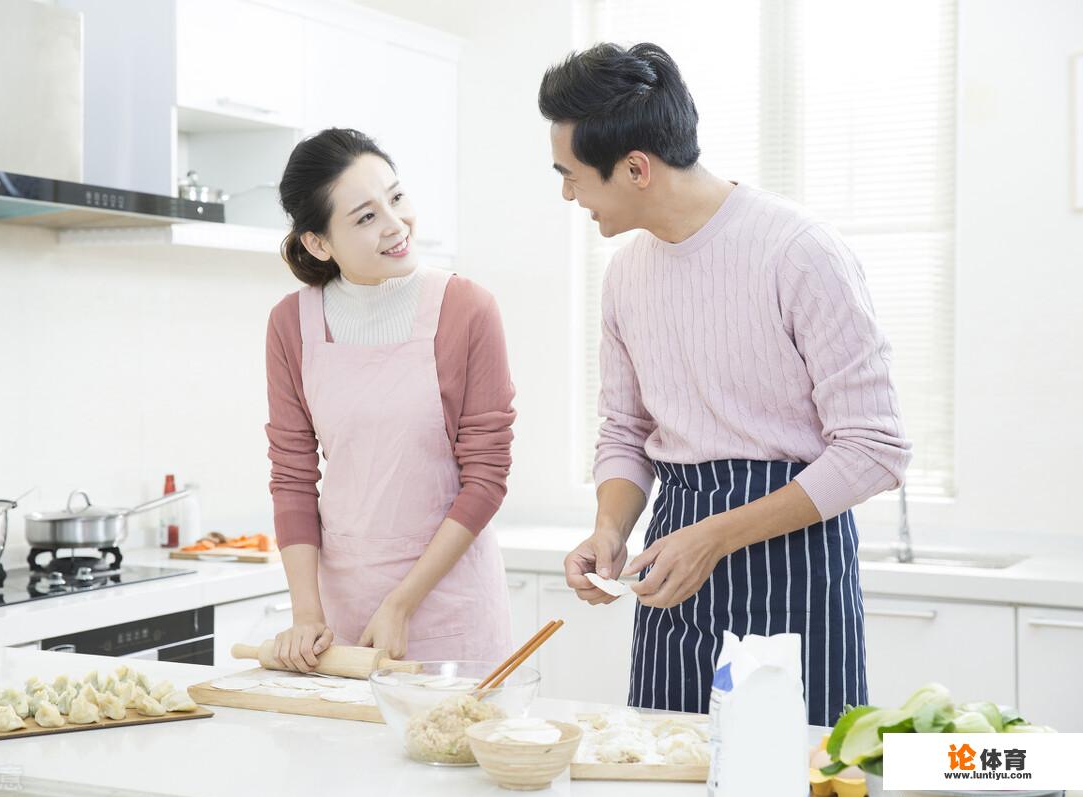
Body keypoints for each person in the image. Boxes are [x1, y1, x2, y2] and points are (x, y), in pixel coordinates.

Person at [540, 43, 912, 724]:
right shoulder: (626, 276)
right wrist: (608, 528)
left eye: (571, 175)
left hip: (791, 565)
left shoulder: (798, 252)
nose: (567, 193)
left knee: (789, 772)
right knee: (663, 760)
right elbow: (625, 432)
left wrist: (715, 536)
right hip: (672, 563)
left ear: (635, 168)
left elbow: (874, 449)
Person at [264, 128, 515, 672]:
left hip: (449, 604)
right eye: (365, 217)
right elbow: (292, 477)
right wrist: (307, 615)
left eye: (395, 198)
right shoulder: (292, 324)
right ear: (318, 243)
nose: (396, 225)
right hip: (342, 610)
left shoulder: (466, 309)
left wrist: (401, 602)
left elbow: (487, 476)